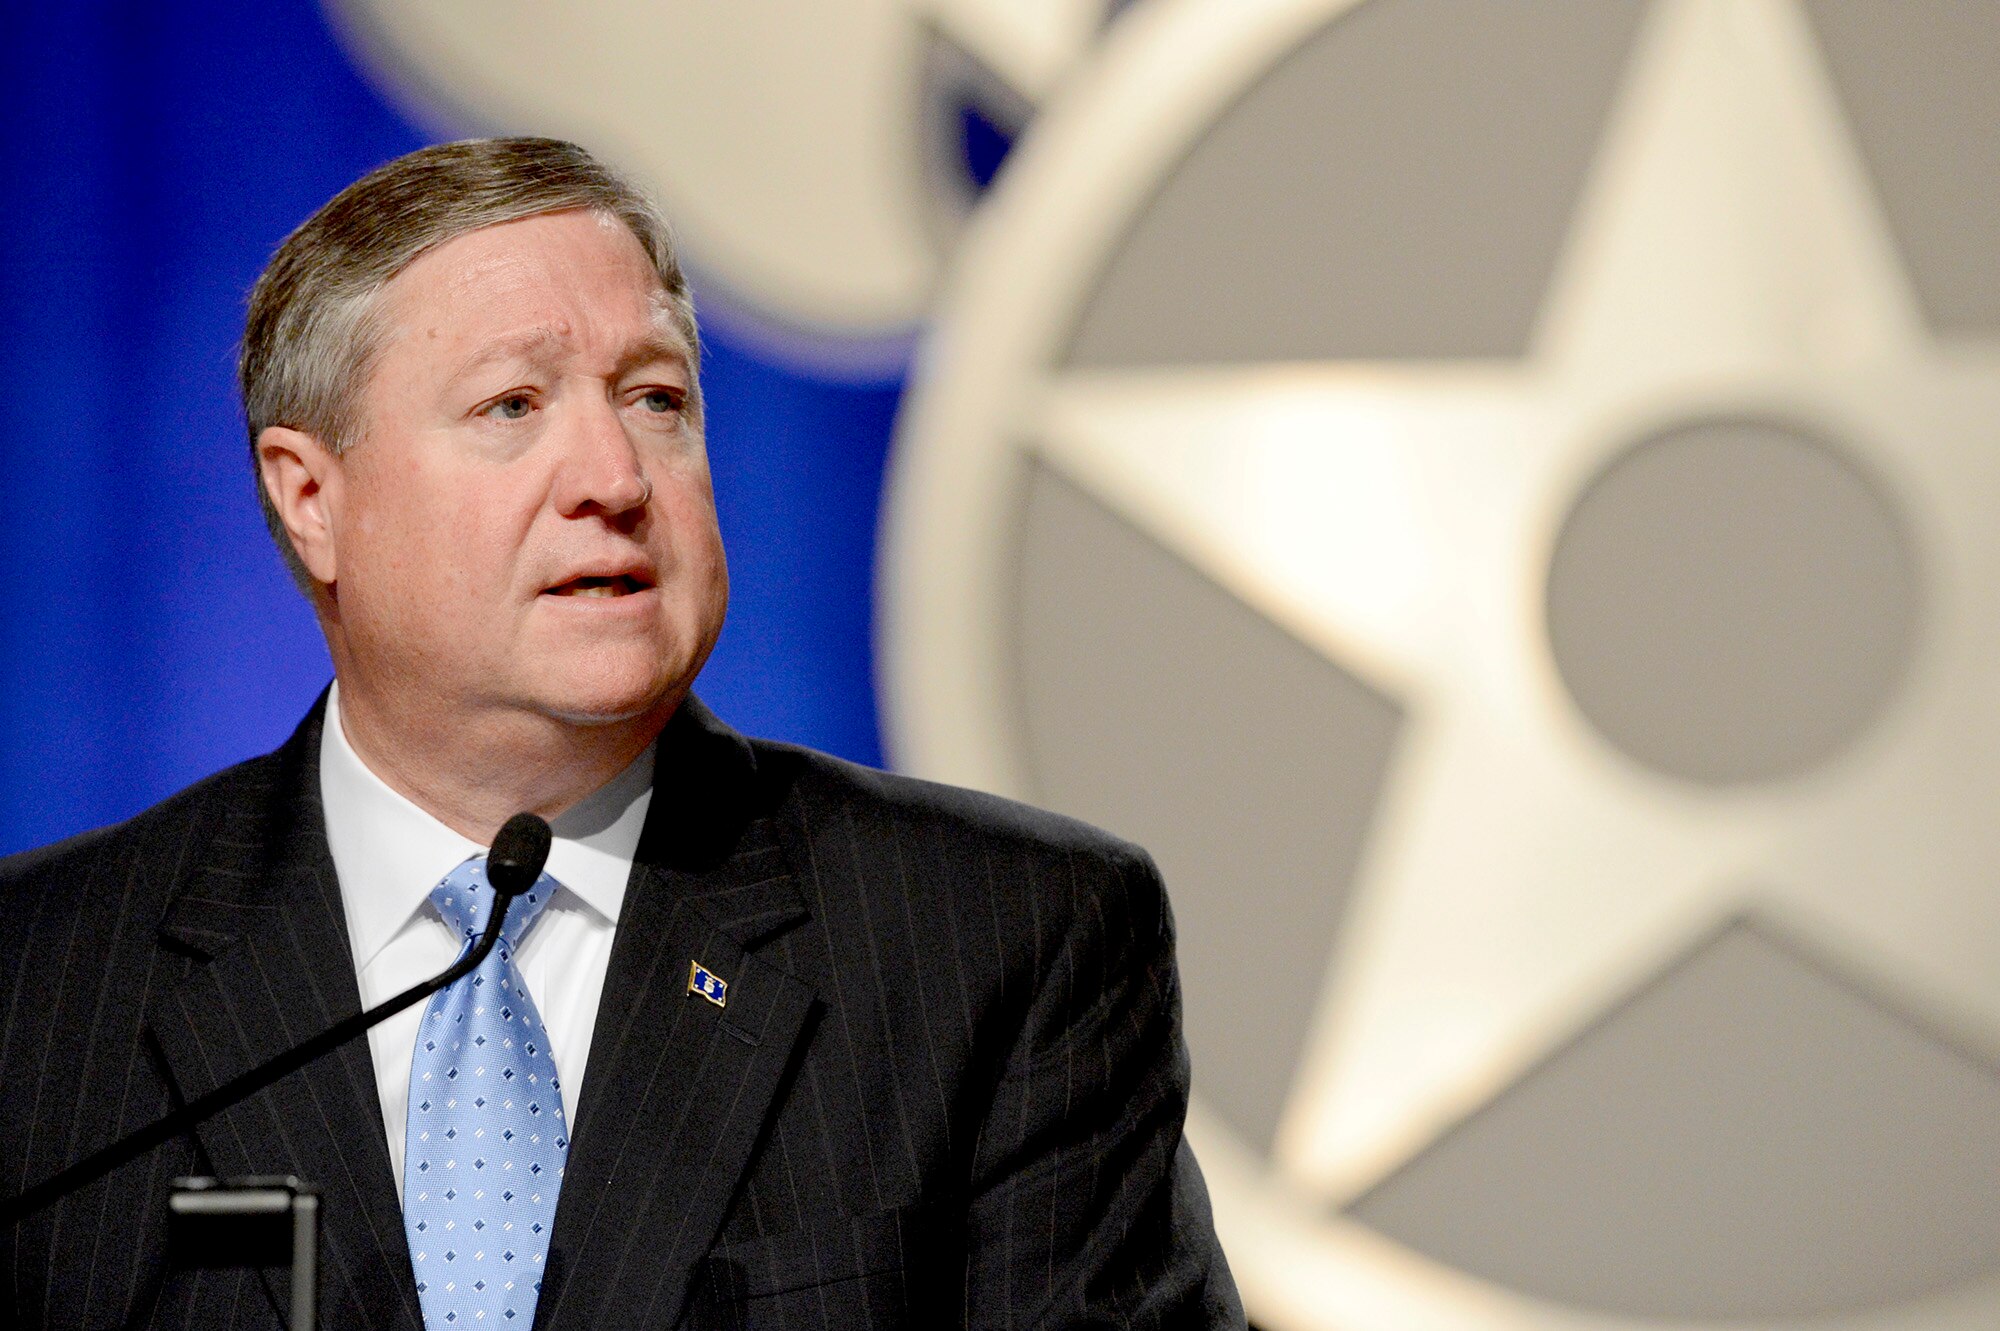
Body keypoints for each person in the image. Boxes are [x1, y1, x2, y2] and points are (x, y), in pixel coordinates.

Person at [0, 137, 1242, 1329]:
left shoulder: (1001, 944)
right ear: (312, 499)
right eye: (510, 405)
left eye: (654, 397)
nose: (612, 472)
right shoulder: (37, 988)